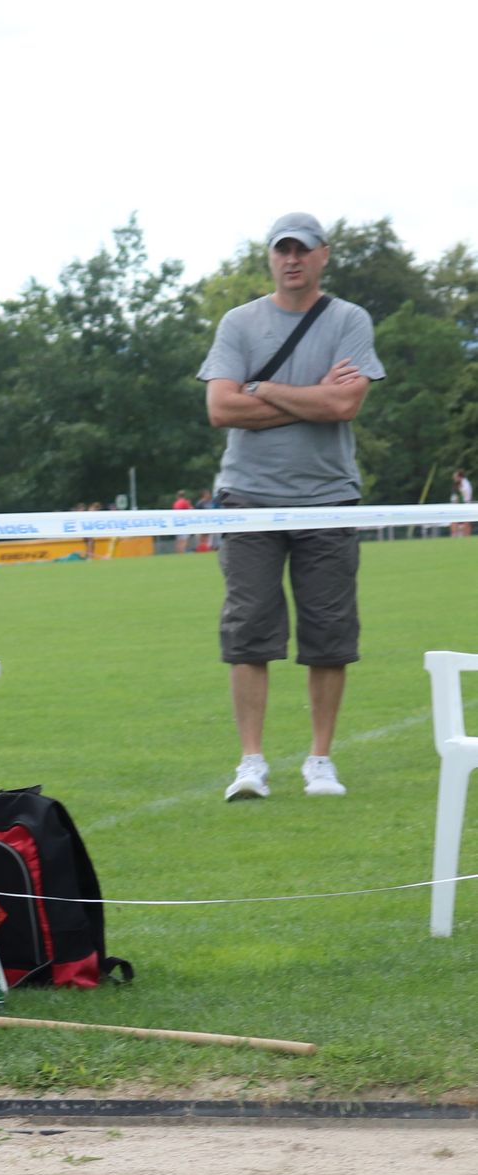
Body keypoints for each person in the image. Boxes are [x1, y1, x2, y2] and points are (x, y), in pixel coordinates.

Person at [199, 212, 384, 801]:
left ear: (323, 255)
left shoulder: (349, 320)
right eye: (282, 250)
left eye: (302, 250)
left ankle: (319, 759)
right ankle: (250, 762)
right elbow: (221, 410)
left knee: (329, 634)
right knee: (249, 631)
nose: (292, 259)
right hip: (248, 497)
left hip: (328, 497)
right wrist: (313, 397)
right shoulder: (240, 323)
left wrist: (263, 388)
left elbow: (345, 406)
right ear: (271, 258)